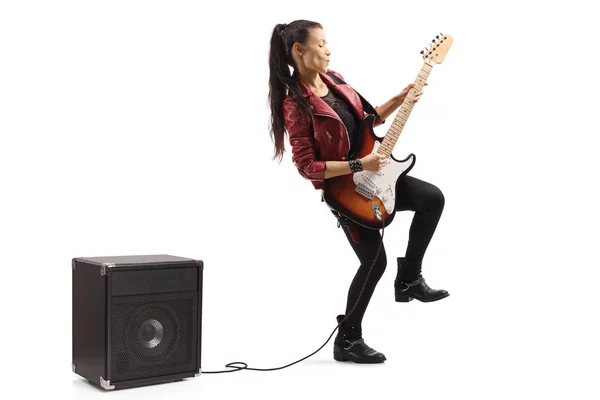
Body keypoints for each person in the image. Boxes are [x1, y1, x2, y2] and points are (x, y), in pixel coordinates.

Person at [267, 20, 449, 364]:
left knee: (432, 198)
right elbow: (307, 166)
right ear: (299, 51)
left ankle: (409, 278)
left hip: (373, 170)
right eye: (321, 44)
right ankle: (348, 340)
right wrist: (358, 166)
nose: (328, 49)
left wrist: (401, 97)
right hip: (345, 190)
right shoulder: (295, 103)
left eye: (327, 43)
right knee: (374, 262)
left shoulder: (334, 79)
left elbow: (367, 119)